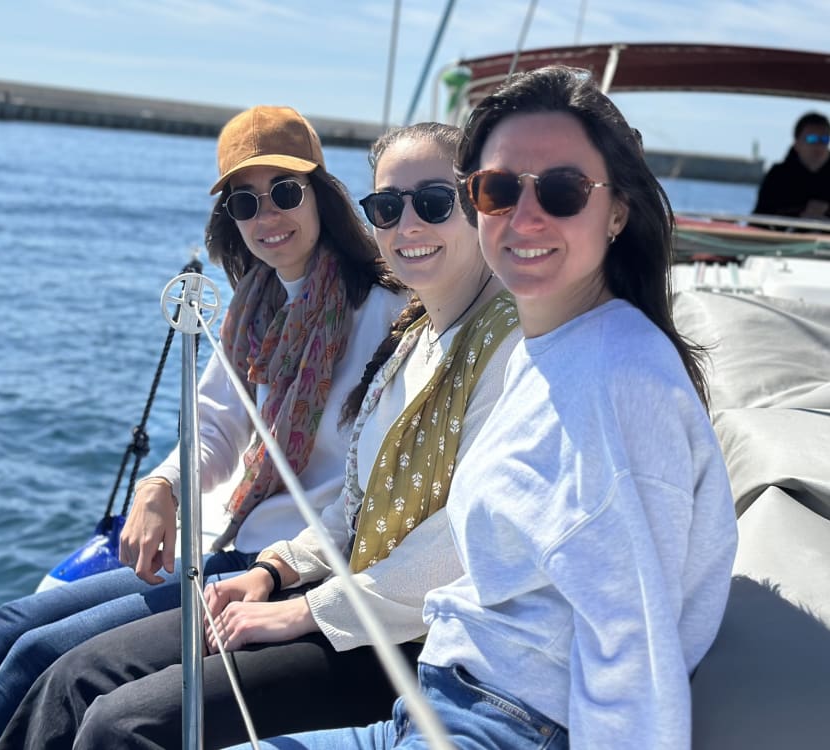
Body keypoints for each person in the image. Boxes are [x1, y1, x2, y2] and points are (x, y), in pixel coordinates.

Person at [236, 65, 738, 750]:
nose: (524, 217)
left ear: (617, 209)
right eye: (499, 190)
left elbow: (634, 654)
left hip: (505, 724)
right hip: (443, 696)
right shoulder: (554, 345)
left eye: (561, 190)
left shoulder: (622, 380)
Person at [0, 122, 522, 750]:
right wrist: (270, 566)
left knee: (114, 717)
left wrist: (298, 602)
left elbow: (460, 544)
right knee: (56, 665)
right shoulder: (386, 333)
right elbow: (353, 504)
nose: (407, 224)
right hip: (307, 573)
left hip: (398, 634)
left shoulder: (444, 328)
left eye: (434, 203)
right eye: (387, 206)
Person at [0, 105, 407, 750]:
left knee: (41, 658)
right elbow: (218, 431)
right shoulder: (254, 306)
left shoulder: (386, 310)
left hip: (288, 564)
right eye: (245, 204)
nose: (267, 217)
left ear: (321, 196)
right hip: (227, 544)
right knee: (9, 626)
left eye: (283, 192)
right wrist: (159, 485)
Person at [753, 111, 830, 221]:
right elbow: (759, 218)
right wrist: (801, 215)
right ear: (797, 143)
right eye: (812, 139)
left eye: (824, 140)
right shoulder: (778, 176)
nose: (819, 145)